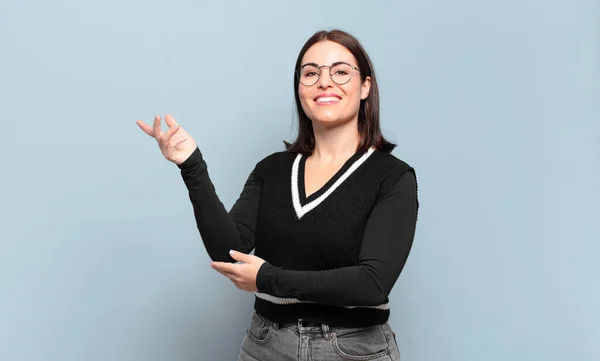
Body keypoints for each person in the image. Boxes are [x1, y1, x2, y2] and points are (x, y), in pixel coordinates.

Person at [136, 29, 419, 361]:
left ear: (365, 87)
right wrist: (191, 166)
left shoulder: (392, 177)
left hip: (353, 349)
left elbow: (371, 283)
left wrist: (267, 278)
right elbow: (230, 255)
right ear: (300, 88)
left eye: (340, 71)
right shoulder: (271, 170)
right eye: (310, 73)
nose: (324, 82)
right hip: (266, 345)